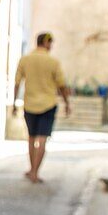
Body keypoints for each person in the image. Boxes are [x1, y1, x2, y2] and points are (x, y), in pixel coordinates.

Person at [13, 32, 71, 183]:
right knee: (42, 139)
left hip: (30, 104)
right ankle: (35, 172)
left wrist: (14, 103)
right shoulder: (53, 62)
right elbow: (62, 85)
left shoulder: (25, 60)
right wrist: (67, 104)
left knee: (31, 138)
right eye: (50, 43)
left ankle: (31, 169)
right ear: (45, 43)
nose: (51, 46)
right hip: (48, 104)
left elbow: (17, 82)